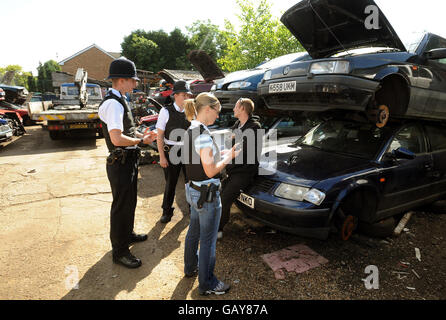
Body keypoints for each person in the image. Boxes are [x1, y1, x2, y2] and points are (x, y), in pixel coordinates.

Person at [98, 58, 157, 269]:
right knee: (121, 206)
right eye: (132, 80)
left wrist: (143, 136)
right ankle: (120, 251)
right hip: (120, 160)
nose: (135, 84)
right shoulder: (114, 104)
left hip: (127, 159)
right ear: (121, 80)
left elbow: (128, 132)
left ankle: (127, 235)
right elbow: (116, 138)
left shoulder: (120, 99)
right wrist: (141, 141)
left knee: (129, 201)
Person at [182, 92, 240, 296]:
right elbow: (210, 170)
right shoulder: (203, 136)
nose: (218, 115)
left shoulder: (192, 129)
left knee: (194, 231)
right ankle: (207, 283)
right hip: (207, 195)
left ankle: (190, 268)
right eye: (217, 111)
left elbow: (201, 159)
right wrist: (230, 157)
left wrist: (221, 154)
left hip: (194, 190)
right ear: (208, 109)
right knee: (207, 240)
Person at [218, 98, 262, 238]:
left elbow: (246, 151)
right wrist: (229, 151)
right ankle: (216, 224)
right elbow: (232, 144)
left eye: (236, 107)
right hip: (232, 169)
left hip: (244, 171)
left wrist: (230, 153)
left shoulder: (255, 127)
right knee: (219, 197)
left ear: (242, 108)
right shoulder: (237, 124)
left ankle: (218, 230)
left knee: (224, 199)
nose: (233, 109)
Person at [156, 80, 192, 223]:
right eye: (184, 95)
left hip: (188, 150)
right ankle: (166, 211)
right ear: (175, 95)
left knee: (190, 182)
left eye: (188, 95)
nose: (186, 98)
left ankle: (192, 207)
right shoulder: (165, 111)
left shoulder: (191, 110)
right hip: (171, 150)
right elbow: (159, 135)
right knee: (171, 182)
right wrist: (162, 157)